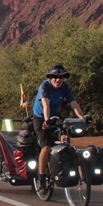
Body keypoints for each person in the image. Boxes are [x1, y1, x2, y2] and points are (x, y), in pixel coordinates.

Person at [31, 64, 87, 192]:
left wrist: (82, 119)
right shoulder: (44, 86)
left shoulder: (65, 87)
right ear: (50, 78)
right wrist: (46, 120)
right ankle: (41, 178)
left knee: (65, 138)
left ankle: (65, 165)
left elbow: (74, 104)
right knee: (46, 147)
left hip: (55, 116)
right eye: (54, 77)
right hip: (41, 118)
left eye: (60, 77)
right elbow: (46, 104)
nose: (58, 80)